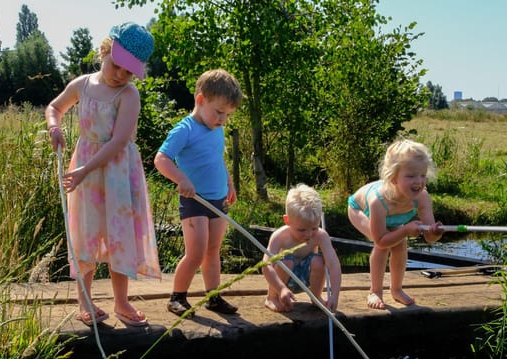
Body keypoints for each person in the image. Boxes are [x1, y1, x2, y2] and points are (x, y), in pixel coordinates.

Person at [45, 22, 161, 327]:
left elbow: (120, 140)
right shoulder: (82, 85)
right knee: (86, 230)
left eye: (129, 71)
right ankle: (85, 299)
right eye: (117, 66)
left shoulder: (128, 94)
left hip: (117, 171)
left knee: (118, 233)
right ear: (104, 50)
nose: (121, 75)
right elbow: (54, 107)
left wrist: (84, 170)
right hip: (86, 172)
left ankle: (121, 302)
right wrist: (54, 127)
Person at [154, 69, 243, 316]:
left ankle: (213, 297)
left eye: (227, 115)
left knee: (213, 250)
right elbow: (161, 159)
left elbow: (217, 159)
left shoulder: (217, 128)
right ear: (201, 100)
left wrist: (230, 183)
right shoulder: (186, 129)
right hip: (194, 200)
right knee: (196, 252)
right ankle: (177, 297)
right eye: (219, 112)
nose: (223, 119)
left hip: (218, 198)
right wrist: (181, 178)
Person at [347, 139, 443, 310]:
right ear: (393, 178)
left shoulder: (422, 197)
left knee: (400, 245)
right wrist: (406, 229)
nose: (418, 181)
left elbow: (429, 238)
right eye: (411, 176)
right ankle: (375, 291)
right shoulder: (378, 201)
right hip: (359, 210)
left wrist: (435, 231)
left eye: (422, 175)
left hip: (393, 217)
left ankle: (396, 289)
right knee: (384, 247)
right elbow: (381, 241)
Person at [262, 184, 342, 313]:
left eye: (314, 228)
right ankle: (272, 297)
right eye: (302, 230)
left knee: (318, 261)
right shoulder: (280, 236)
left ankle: (316, 297)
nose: (309, 234)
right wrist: (281, 288)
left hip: (307, 277)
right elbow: (266, 266)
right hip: (282, 281)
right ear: (287, 220)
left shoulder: (320, 236)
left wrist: (334, 295)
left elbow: (333, 265)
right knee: (286, 262)